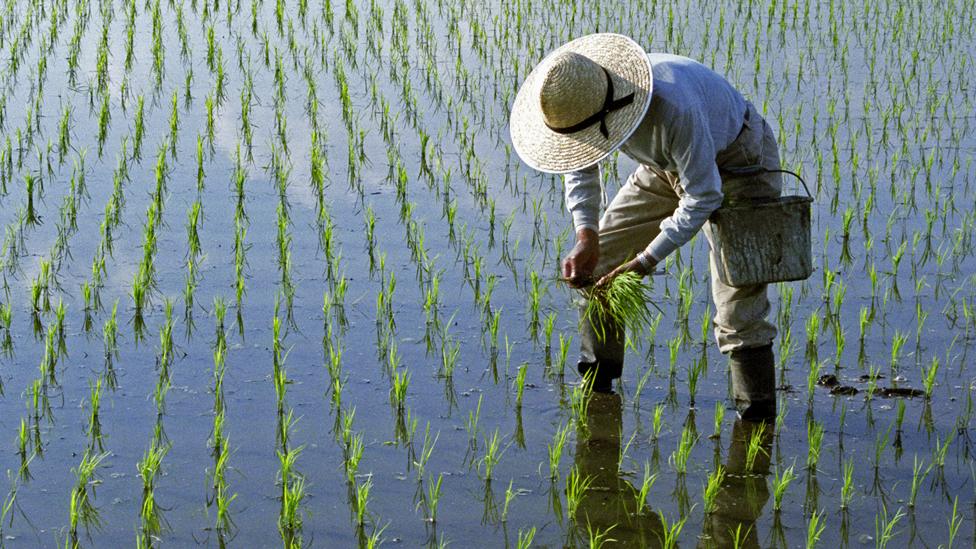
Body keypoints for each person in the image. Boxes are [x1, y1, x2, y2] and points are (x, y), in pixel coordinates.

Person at [510, 33, 781, 420]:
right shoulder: (581, 105)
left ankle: (756, 424)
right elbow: (581, 164)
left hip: (741, 163)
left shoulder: (674, 107)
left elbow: (703, 196)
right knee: (600, 266)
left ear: (610, 112)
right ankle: (597, 389)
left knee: (738, 308)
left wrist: (643, 263)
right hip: (664, 166)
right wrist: (587, 235)